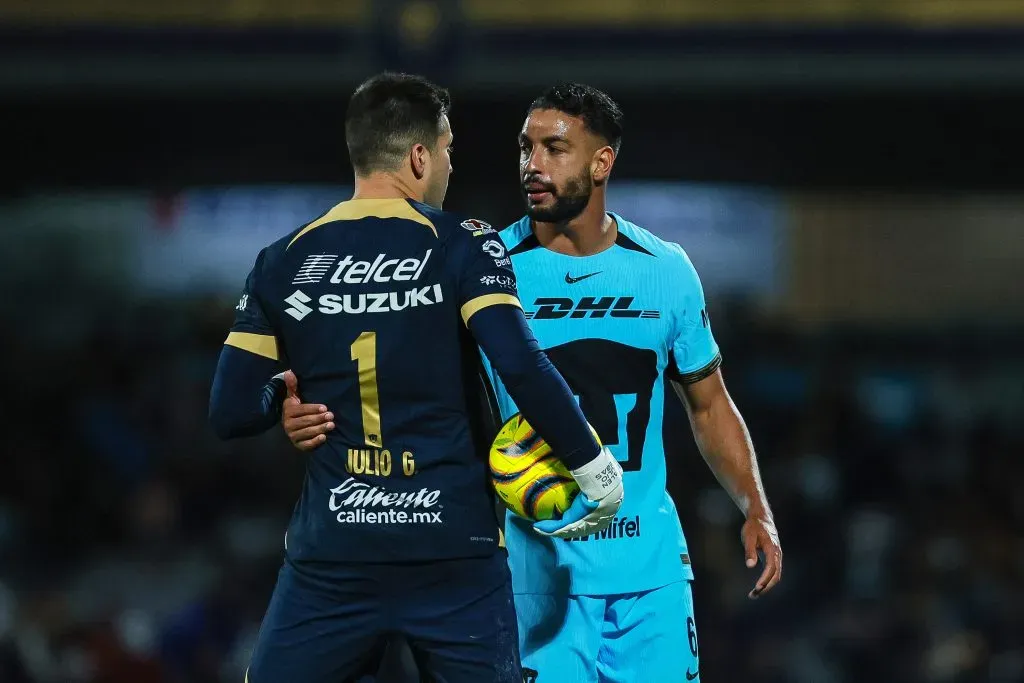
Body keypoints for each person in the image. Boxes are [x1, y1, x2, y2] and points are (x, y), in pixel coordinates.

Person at [281, 82, 783, 682]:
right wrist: (309, 414)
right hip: (531, 580)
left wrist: (755, 505)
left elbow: (709, 406)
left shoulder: (666, 271)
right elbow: (406, 387)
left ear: (603, 162)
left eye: (554, 148)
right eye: (525, 148)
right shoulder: (482, 264)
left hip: (649, 577)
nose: (532, 165)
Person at [208, 73, 625, 683]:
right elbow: (520, 363)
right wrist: (595, 467)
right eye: (450, 149)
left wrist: (280, 401)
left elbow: (229, 409)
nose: (451, 166)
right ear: (420, 155)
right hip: (452, 554)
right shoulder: (462, 242)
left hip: (335, 556)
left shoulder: (286, 257)